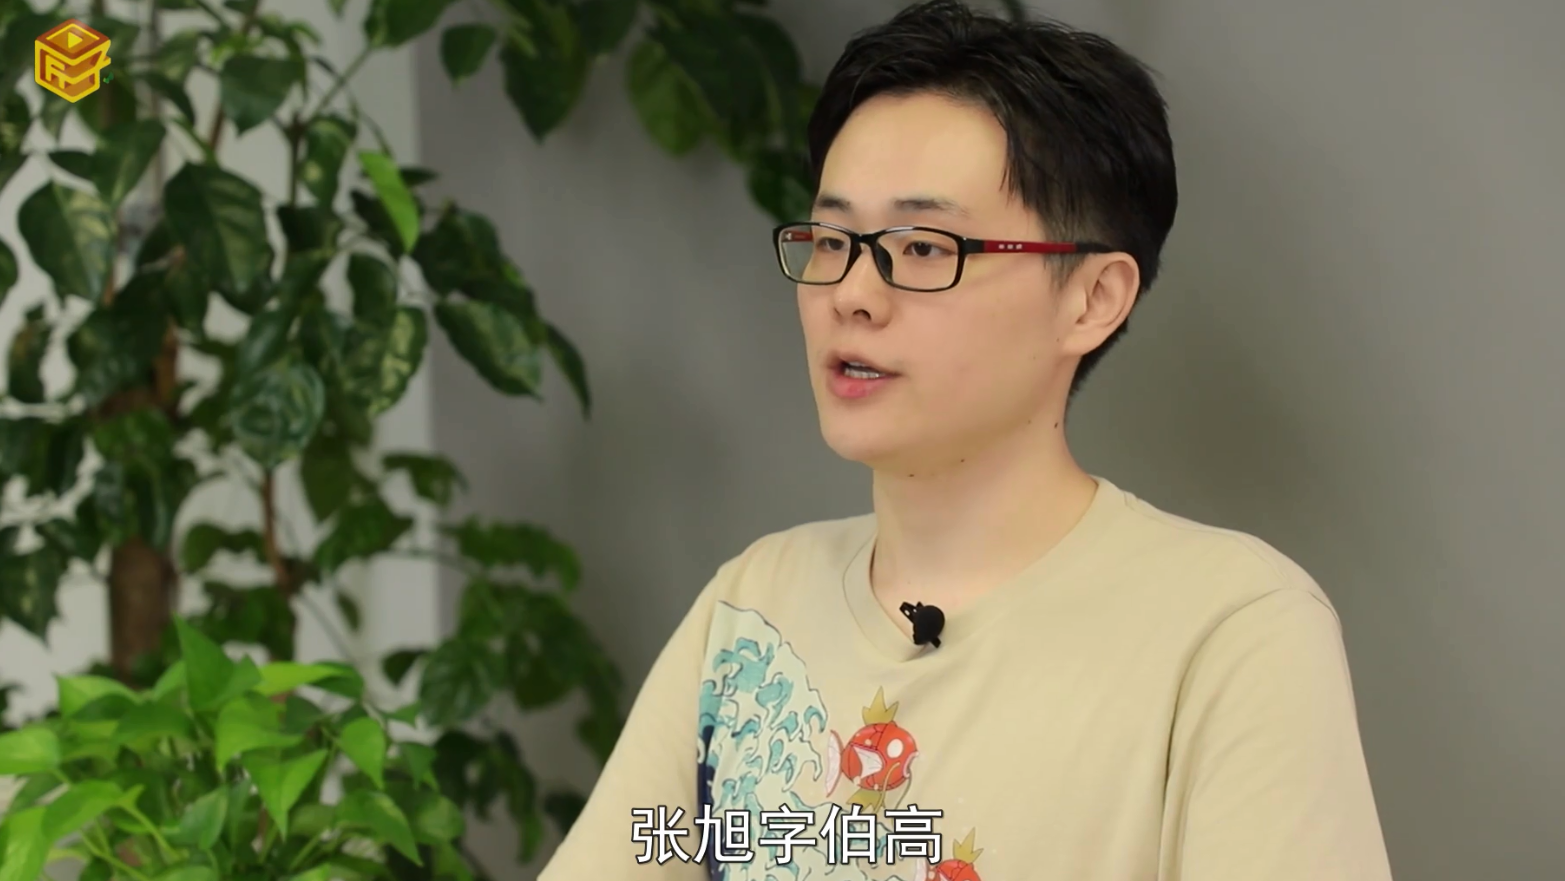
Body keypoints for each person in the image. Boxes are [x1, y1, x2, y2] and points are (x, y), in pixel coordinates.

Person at [539, 1, 1394, 879]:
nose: (851, 294)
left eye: (920, 247)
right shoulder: (756, 603)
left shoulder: (1229, 630)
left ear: (1092, 298)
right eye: (830, 240)